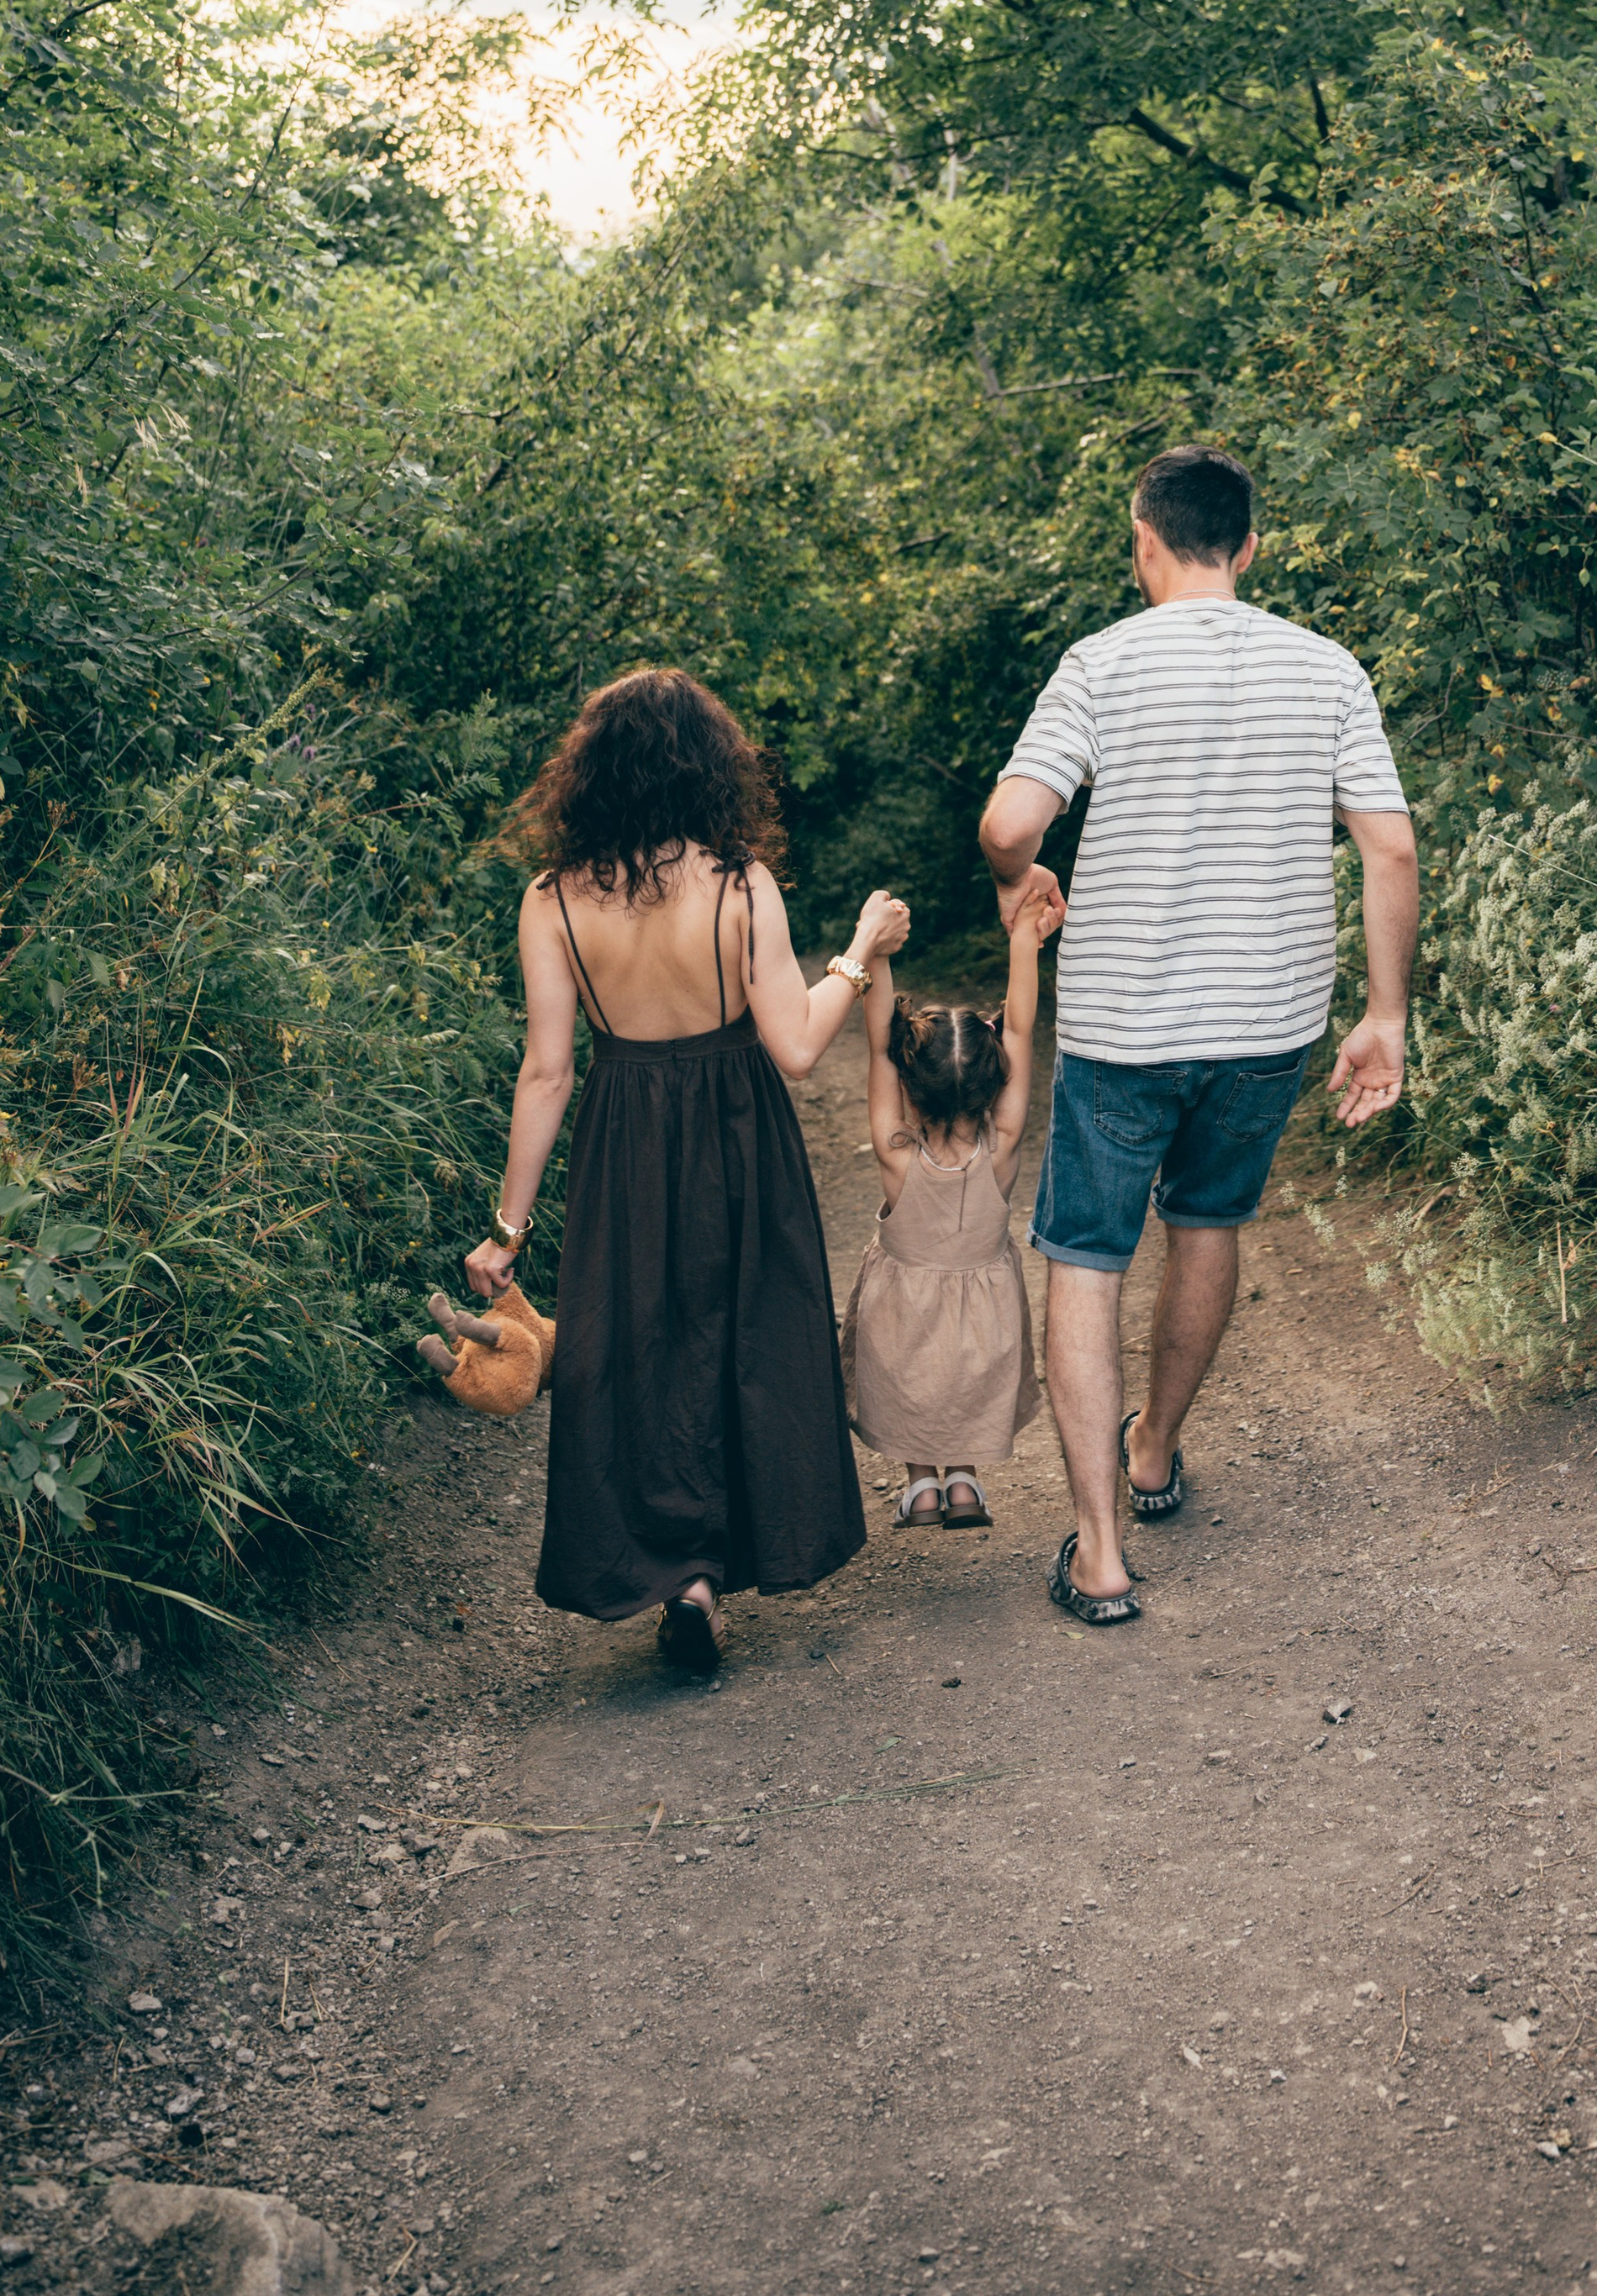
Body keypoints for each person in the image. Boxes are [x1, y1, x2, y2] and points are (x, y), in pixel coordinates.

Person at [978, 444, 1418, 1627]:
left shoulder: (1102, 665)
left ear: (1144, 542)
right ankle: (1158, 1453)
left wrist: (1024, 879)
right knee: (1209, 1223)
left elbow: (1009, 821)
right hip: (1266, 1024)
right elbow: (1390, 848)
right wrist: (1384, 1016)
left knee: (1086, 1255)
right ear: (1251, 548)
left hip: (1125, 1026)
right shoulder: (1327, 671)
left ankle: (1103, 1557)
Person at [468, 667, 909, 1673]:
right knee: (742, 1332)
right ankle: (725, 1555)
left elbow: (546, 1071)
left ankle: (682, 1573)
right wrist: (856, 955)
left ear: (590, 776)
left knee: (639, 1346)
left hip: (622, 1130)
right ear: (711, 767)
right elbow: (795, 1048)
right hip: (737, 1124)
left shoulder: (552, 901)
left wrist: (509, 1228)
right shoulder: (738, 882)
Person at [841, 876, 1063, 1526]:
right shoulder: (1003, 1145)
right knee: (965, 1377)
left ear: (911, 1085)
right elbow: (1021, 1026)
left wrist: (877, 953)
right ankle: (964, 1480)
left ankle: (921, 1487)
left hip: (902, 1306)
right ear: (996, 1081)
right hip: (985, 1305)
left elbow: (881, 1043)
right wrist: (1024, 937)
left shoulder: (895, 1154)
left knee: (911, 1378)